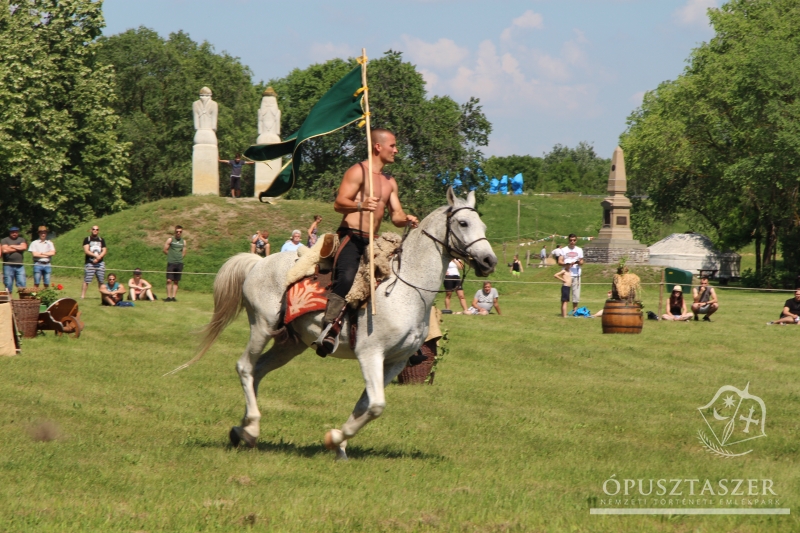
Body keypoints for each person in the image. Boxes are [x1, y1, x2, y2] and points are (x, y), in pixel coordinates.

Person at [316, 128, 419, 356]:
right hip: (351, 236)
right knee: (346, 277)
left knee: (399, 280)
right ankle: (329, 327)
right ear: (378, 147)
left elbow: (396, 215)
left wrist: (407, 219)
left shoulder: (390, 181)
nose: (396, 150)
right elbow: (339, 203)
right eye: (392, 145)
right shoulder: (358, 171)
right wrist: (361, 205)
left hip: (374, 241)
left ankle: (404, 338)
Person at [81, 225, 106, 299]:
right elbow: (86, 250)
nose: (95, 230)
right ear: (91, 230)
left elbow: (104, 250)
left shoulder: (101, 240)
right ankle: (82, 296)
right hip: (90, 262)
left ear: (98, 231)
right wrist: (95, 256)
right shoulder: (87, 239)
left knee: (101, 280)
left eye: (97, 229)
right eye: (94, 229)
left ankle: (103, 296)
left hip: (100, 263)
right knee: (87, 280)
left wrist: (99, 257)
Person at [163, 225, 187, 302]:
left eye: (180, 232)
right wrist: (171, 256)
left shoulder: (183, 241)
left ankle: (173, 297)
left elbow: (184, 252)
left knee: (176, 281)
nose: (178, 233)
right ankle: (168, 296)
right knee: (169, 280)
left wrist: (179, 258)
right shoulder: (170, 240)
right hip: (171, 263)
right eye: (177, 232)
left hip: (179, 263)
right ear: (175, 232)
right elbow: (165, 249)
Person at [562, 234, 584, 314]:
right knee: (565, 294)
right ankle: (564, 312)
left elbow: (582, 261)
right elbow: (560, 261)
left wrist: (578, 262)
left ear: (576, 240)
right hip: (567, 274)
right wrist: (567, 264)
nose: (572, 242)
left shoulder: (579, 250)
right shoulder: (564, 250)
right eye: (571, 240)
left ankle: (575, 311)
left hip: (576, 274)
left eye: (574, 240)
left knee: (576, 294)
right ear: (568, 240)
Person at [2, 226, 27, 292]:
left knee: (22, 283)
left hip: (20, 265)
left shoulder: (21, 239)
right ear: (10, 233)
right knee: (8, 284)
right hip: (8, 265)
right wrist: (18, 248)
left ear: (18, 232)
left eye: (16, 232)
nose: (14, 234)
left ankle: (22, 301)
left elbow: (24, 247)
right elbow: (5, 250)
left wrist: (12, 246)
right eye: (13, 232)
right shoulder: (4, 240)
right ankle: (9, 301)